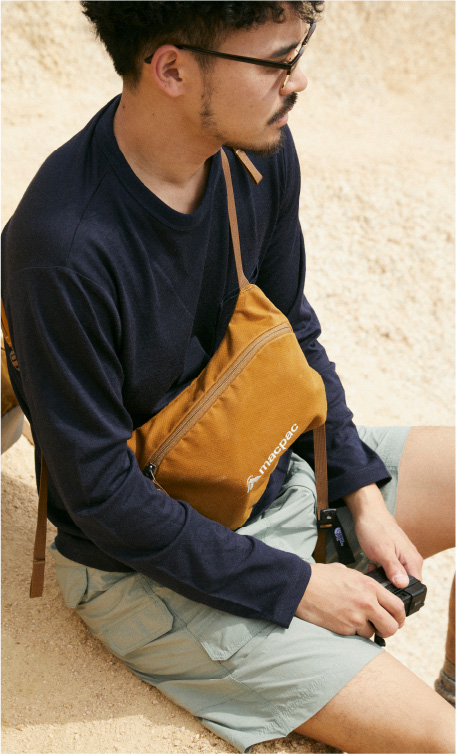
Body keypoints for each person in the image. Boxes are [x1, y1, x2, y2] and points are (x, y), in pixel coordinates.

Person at [1, 2, 454, 752]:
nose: (298, 81)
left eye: (299, 52)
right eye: (276, 62)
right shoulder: (61, 250)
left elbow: (292, 328)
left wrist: (361, 493)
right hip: (146, 569)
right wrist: (297, 586)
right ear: (172, 69)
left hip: (269, 468)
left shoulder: (257, 150)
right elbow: (104, 500)